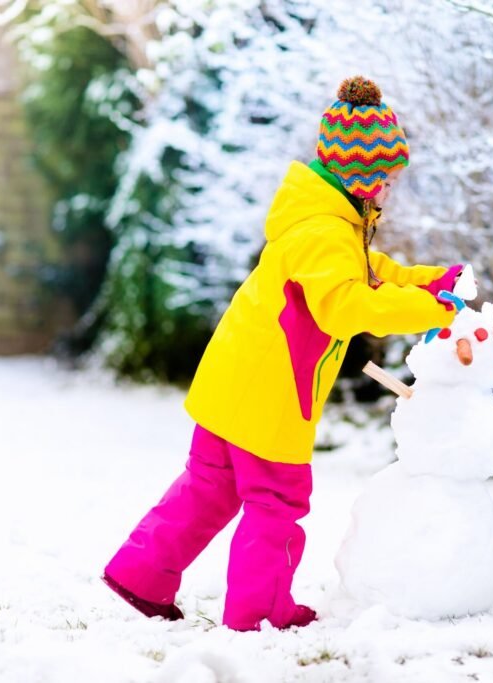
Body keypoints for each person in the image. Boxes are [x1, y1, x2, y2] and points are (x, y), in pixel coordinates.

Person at [102, 76, 462, 632]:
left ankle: (141, 574)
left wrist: (434, 283)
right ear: (359, 175)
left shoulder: (326, 220)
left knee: (209, 487)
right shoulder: (325, 231)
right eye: (386, 179)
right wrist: (436, 312)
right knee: (276, 500)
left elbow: (372, 274)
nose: (391, 190)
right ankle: (261, 609)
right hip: (270, 389)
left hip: (234, 376)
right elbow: (347, 305)